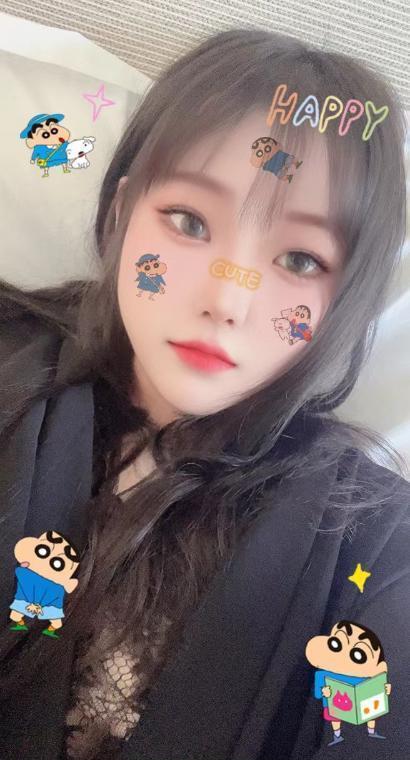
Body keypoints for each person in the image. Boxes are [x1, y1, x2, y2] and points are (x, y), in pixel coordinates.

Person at [0, 27, 409, 760]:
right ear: (122, 211)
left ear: (347, 299)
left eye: (299, 259)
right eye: (189, 222)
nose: (227, 300)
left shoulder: (369, 536)